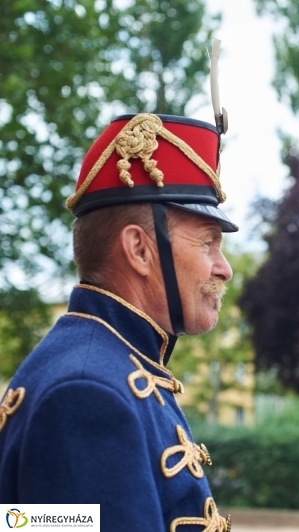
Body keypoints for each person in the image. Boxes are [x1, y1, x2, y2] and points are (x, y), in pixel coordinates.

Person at [0, 108, 236, 531]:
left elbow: (23, 522)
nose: (224, 269)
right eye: (208, 243)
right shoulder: (86, 391)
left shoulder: (107, 363)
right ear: (140, 250)